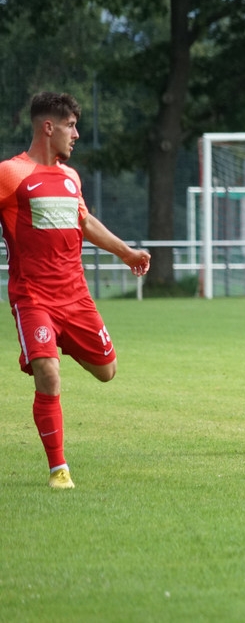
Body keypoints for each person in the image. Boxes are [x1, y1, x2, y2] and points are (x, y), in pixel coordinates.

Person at [0, 92, 151, 489]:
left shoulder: (71, 178)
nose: (77, 134)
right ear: (48, 127)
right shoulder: (11, 173)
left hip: (76, 298)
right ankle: (59, 469)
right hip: (33, 298)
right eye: (71, 126)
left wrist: (126, 252)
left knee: (107, 370)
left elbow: (84, 221)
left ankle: (55, 342)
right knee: (48, 374)